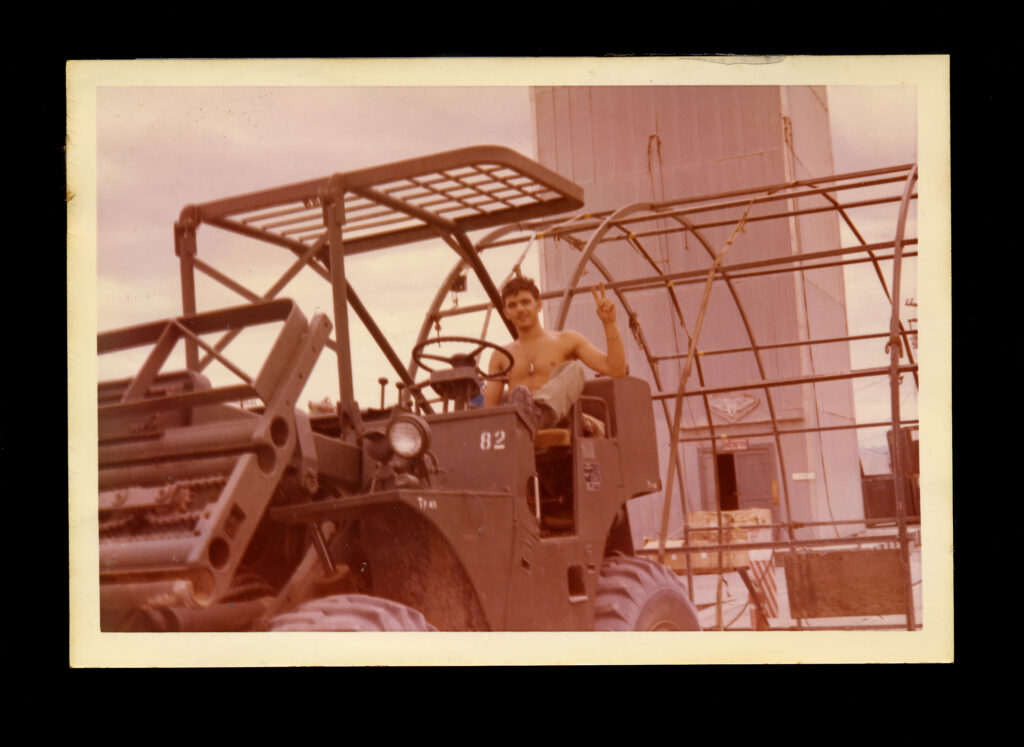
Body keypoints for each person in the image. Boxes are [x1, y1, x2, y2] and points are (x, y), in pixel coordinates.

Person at [482, 275, 627, 430]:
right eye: (512, 305)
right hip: (518, 426)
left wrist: (609, 323)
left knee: (574, 369)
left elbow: (616, 370)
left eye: (525, 302)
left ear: (538, 305)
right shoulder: (501, 355)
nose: (520, 309)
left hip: (559, 422)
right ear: (506, 313)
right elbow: (488, 408)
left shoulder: (566, 340)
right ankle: (530, 418)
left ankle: (541, 414)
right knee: (519, 392)